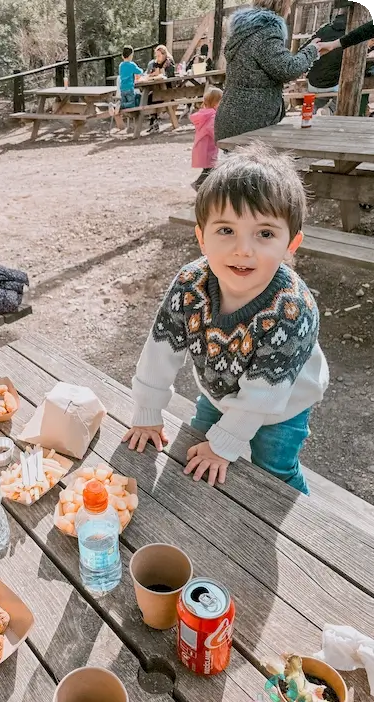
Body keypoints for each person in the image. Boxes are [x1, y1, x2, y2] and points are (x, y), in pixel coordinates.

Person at [123, 144, 329, 495]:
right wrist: (148, 413)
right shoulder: (190, 284)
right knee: (193, 447)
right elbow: (160, 352)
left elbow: (263, 398)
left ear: (291, 243)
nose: (243, 249)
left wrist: (224, 446)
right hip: (218, 391)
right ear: (202, 238)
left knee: (273, 473)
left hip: (282, 407)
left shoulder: (292, 310)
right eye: (226, 230)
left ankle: (308, 535)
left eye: (264, 233)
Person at [214, 0, 319, 142]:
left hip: (232, 116)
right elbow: (288, 69)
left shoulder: (245, 31)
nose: (289, 11)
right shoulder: (266, 32)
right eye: (289, 6)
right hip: (252, 121)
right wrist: (312, 50)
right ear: (281, 5)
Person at [304, 12, 347, 114]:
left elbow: (303, 50)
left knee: (318, 99)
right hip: (334, 85)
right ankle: (330, 110)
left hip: (313, 83)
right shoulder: (352, 34)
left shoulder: (323, 29)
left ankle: (313, 111)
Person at [190, 86, 222, 191]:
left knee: (209, 168)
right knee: (210, 169)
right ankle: (199, 184)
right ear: (215, 103)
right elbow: (212, 130)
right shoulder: (212, 116)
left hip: (203, 147)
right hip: (207, 149)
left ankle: (202, 186)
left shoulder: (205, 114)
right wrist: (221, 139)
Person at [144, 45, 176, 133]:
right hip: (157, 90)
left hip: (168, 91)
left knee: (151, 98)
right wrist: (152, 74)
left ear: (164, 54)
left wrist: (161, 73)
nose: (157, 58)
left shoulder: (169, 63)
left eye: (159, 55)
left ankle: (153, 122)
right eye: (156, 56)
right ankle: (154, 121)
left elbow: (169, 77)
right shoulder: (155, 64)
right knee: (148, 97)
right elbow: (149, 74)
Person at [118, 45, 143, 110]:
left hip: (122, 88)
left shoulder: (121, 65)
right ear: (131, 55)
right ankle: (120, 105)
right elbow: (140, 71)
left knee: (126, 105)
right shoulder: (131, 65)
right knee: (132, 104)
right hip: (129, 88)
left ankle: (119, 106)